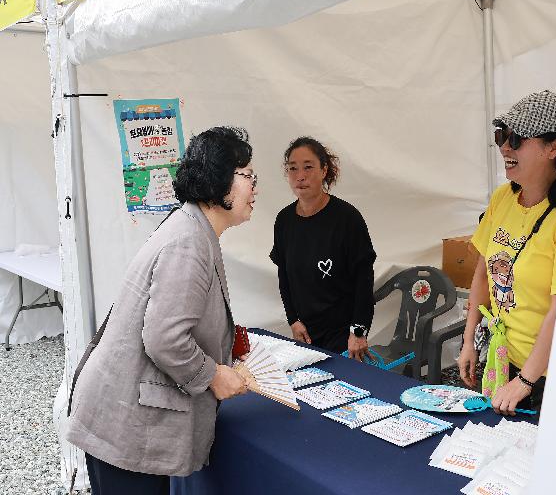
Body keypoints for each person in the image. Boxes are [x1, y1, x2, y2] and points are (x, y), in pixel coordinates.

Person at [65, 126, 257, 494]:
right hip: (125, 426)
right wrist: (214, 374)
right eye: (247, 176)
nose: (255, 187)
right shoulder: (188, 243)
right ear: (219, 182)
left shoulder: (193, 228)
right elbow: (164, 338)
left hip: (128, 418)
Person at [458, 90, 556, 416]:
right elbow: (482, 273)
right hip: (499, 358)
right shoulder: (502, 198)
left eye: (518, 138)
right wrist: (468, 341)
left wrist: (526, 380)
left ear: (553, 148)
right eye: (501, 136)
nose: (505, 147)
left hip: (545, 376)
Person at [270, 136, 376, 359]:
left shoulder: (347, 219)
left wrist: (358, 331)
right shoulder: (284, 220)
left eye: (308, 167)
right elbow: (284, 275)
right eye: (293, 168)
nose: (300, 176)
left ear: (324, 170)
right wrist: (293, 319)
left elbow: (363, 279)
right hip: (305, 333)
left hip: (343, 334)